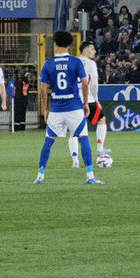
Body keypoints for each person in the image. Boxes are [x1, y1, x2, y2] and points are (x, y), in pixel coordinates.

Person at [35, 31, 103, 185]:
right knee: (83, 138)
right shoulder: (75, 62)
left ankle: (40, 176)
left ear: (55, 44)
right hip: (74, 107)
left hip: (57, 108)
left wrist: (45, 108)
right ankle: (90, 176)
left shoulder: (48, 63)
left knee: (48, 141)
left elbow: (43, 88)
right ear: (70, 45)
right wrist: (86, 103)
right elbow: (85, 83)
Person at [69, 43, 110, 168]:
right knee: (101, 119)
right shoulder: (91, 63)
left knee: (74, 130)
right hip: (88, 99)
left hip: (73, 100)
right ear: (86, 50)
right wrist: (96, 99)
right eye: (92, 49)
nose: (94, 51)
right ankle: (100, 148)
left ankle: (75, 160)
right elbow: (94, 84)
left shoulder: (72, 62)